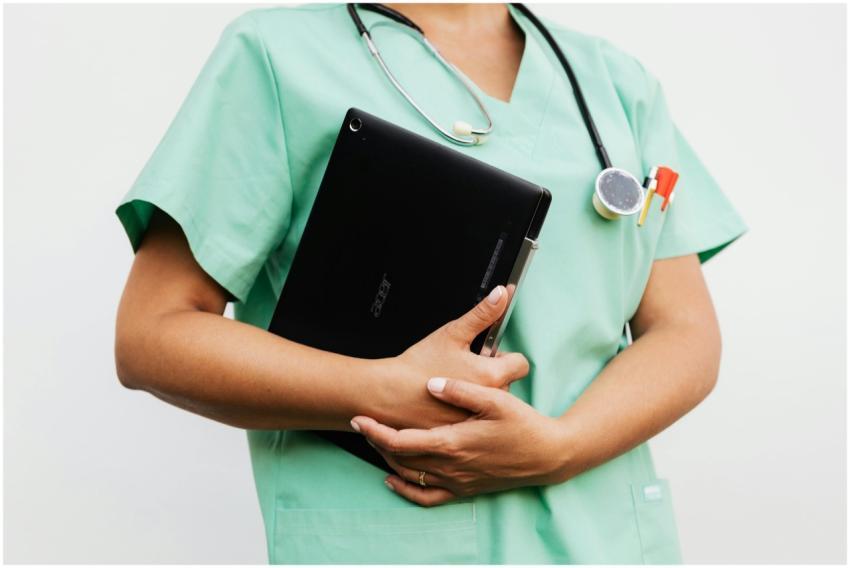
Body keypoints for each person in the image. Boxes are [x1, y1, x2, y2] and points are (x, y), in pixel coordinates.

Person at [114, 3, 747, 563]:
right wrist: (378, 389)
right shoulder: (276, 57)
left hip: (607, 543)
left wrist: (560, 448)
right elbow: (153, 334)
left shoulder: (615, 83)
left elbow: (684, 330)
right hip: (391, 537)